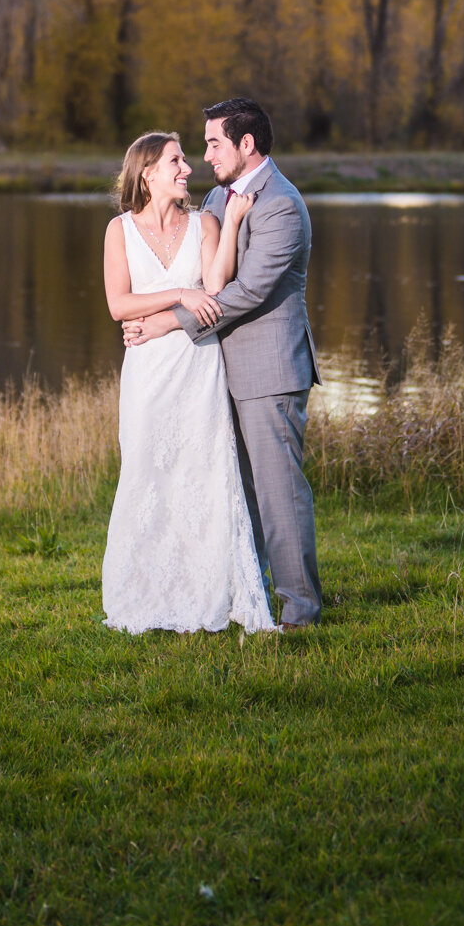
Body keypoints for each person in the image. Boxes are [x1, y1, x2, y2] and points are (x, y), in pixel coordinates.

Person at [123, 98, 322, 632]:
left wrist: (167, 321)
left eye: (213, 143)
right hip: (215, 373)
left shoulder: (281, 204)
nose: (205, 154)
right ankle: (242, 594)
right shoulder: (216, 196)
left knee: (279, 494)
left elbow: (248, 290)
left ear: (245, 144)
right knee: (237, 493)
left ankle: (301, 611)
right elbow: (202, 267)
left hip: (269, 371)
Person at [101, 130, 274, 634]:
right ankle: (145, 592)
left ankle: (206, 591)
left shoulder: (205, 222)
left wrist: (236, 219)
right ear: (147, 172)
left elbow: (216, 289)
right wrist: (181, 293)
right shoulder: (119, 230)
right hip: (147, 372)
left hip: (197, 367)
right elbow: (119, 305)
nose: (187, 169)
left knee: (201, 475)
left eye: (185, 160)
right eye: (176, 161)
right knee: (146, 472)